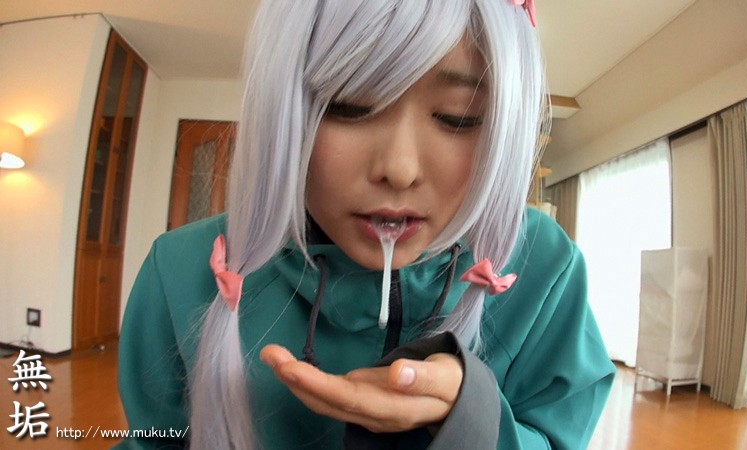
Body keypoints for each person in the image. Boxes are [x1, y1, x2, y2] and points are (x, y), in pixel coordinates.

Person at [116, 1, 615, 449]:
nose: (399, 169)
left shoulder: (543, 266)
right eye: (350, 106)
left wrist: (472, 420)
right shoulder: (180, 271)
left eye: (457, 117)